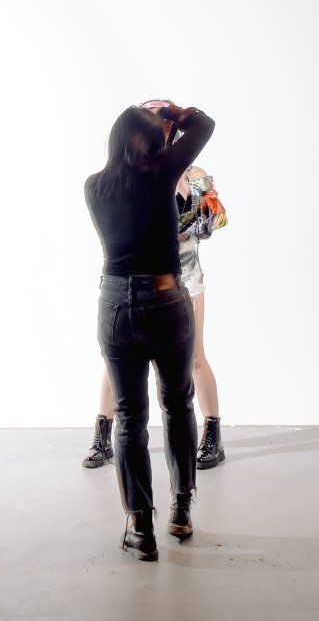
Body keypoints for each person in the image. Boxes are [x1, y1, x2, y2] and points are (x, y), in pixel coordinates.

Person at [84, 101, 215, 561]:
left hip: (115, 302)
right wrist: (175, 114)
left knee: (129, 416)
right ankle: (180, 510)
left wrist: (158, 126)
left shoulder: (94, 187)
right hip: (165, 300)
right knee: (178, 404)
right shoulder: (161, 174)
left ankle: (140, 529)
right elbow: (206, 125)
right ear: (152, 142)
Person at [82, 152, 228, 471]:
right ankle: (102, 435)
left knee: (194, 357)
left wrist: (188, 191)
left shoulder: (194, 174)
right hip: (135, 280)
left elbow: (212, 224)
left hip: (185, 279)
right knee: (116, 360)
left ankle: (213, 434)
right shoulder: (131, 174)